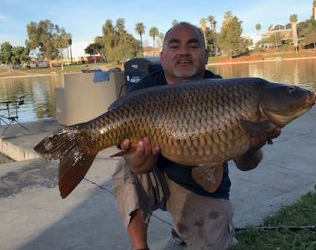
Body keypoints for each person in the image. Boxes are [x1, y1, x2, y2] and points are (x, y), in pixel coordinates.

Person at [112, 22, 281, 250]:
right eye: (175, 46)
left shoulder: (231, 93)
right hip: (155, 175)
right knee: (126, 169)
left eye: (193, 45)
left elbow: (247, 165)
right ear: (162, 57)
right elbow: (135, 162)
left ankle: (185, 227)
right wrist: (141, 162)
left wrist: (250, 147)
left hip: (201, 186)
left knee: (214, 242)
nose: (183, 52)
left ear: (205, 55)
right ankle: (139, 247)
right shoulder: (143, 94)